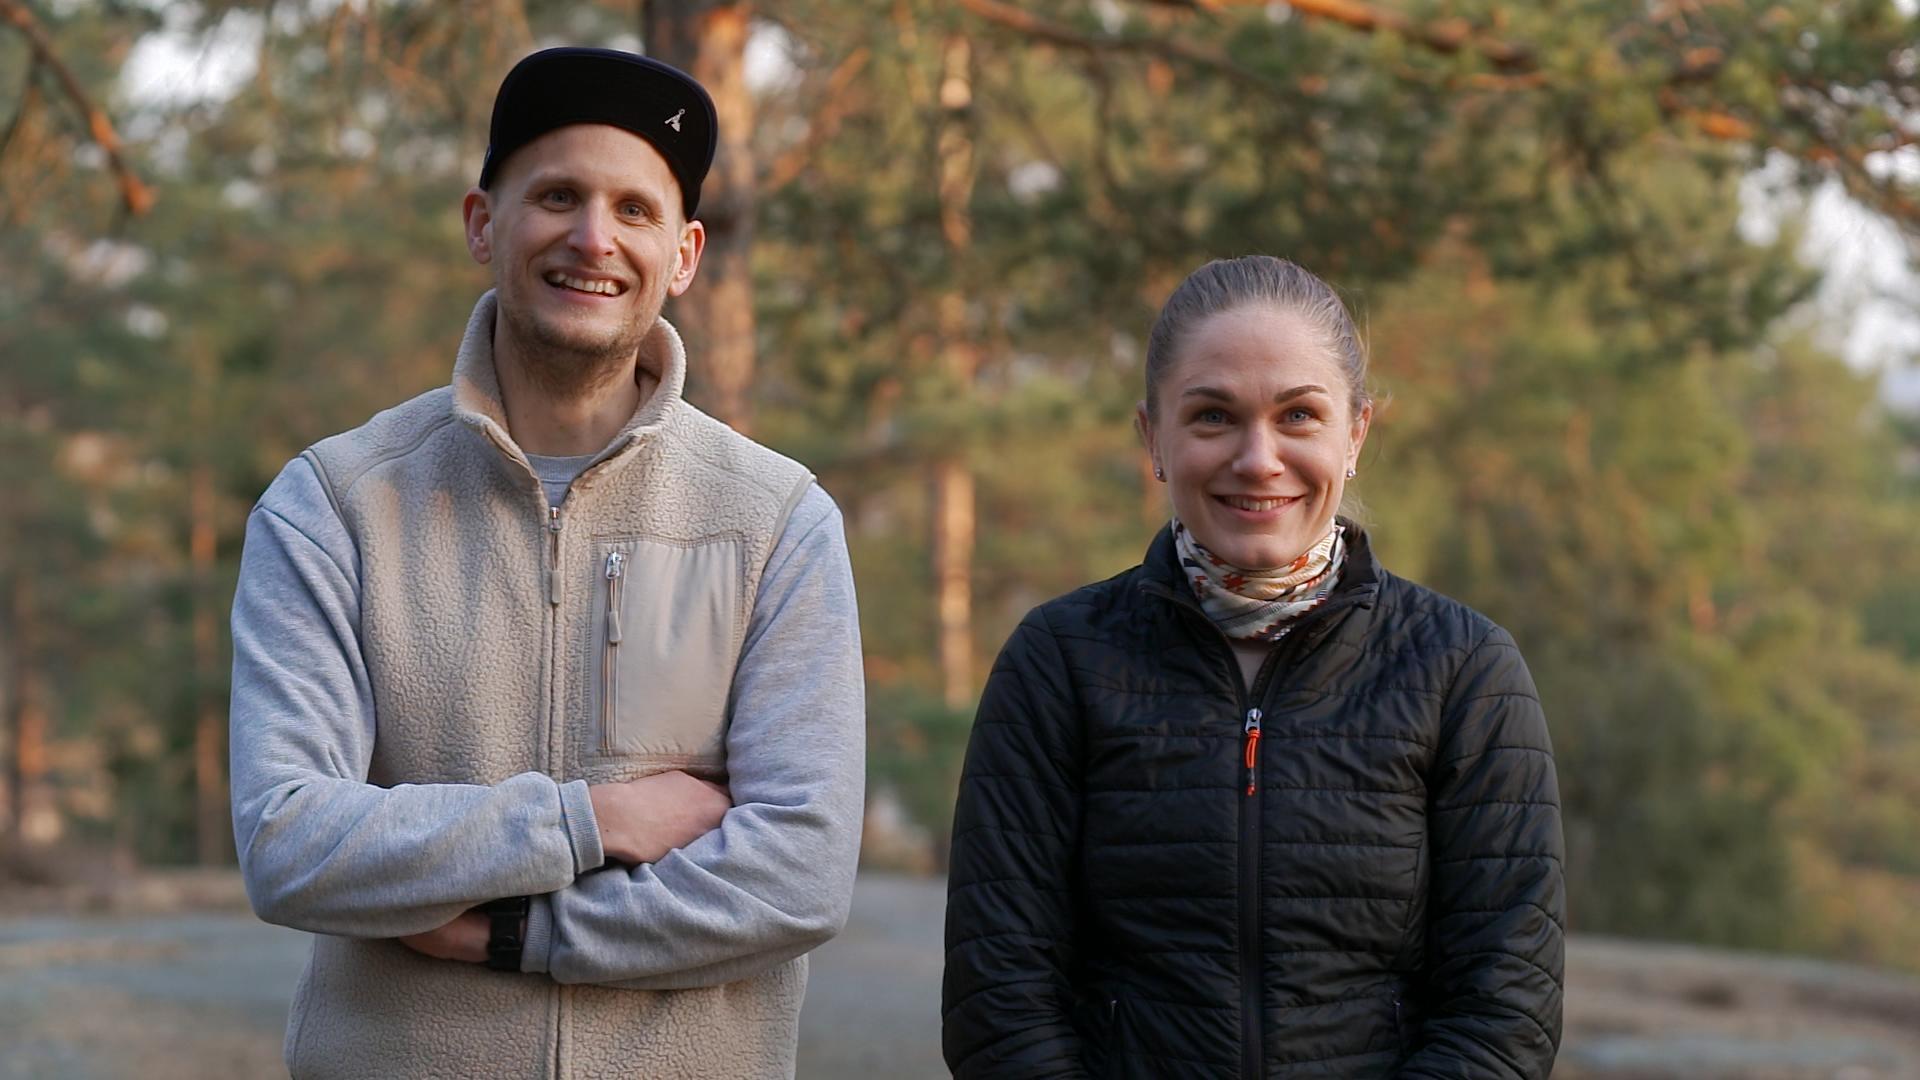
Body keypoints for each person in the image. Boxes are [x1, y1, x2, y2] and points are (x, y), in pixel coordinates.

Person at [227, 47, 865, 1080]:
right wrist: (591, 820)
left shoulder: (776, 520)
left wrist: (514, 935)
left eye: (634, 209)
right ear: (484, 224)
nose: (593, 238)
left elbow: (797, 875)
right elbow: (290, 839)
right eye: (557, 196)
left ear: (686, 253)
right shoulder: (334, 505)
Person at [941, 255, 1564, 1078]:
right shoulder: (1059, 661)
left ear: (1356, 435)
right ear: (1153, 439)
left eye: (1299, 415)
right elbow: (1000, 999)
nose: (1258, 458)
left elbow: (1504, 1011)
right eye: (1212, 417)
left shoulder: (1464, 671)